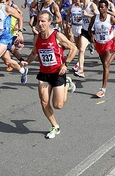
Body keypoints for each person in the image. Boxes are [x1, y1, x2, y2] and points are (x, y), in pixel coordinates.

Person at [20, 10, 77, 139]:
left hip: (58, 73)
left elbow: (73, 48)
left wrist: (66, 64)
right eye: (38, 21)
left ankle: (67, 84)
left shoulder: (57, 36)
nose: (40, 24)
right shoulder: (37, 38)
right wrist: (26, 62)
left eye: (43, 21)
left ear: (49, 22)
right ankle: (55, 126)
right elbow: (34, 53)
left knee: (58, 105)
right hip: (44, 74)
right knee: (44, 102)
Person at [88, 0, 115, 98]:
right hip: (99, 44)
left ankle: (103, 89)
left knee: (105, 65)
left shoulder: (111, 18)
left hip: (109, 42)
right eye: (99, 6)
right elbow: (90, 29)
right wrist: (92, 35)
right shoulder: (95, 18)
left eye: (102, 7)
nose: (100, 8)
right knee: (104, 64)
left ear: (107, 8)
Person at [72, 0, 99, 75]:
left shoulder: (92, 5)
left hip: (93, 31)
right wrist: (80, 19)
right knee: (81, 49)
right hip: (84, 30)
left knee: (102, 50)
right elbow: (83, 16)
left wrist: (87, 14)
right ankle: (81, 70)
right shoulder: (83, 5)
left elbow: (98, 17)